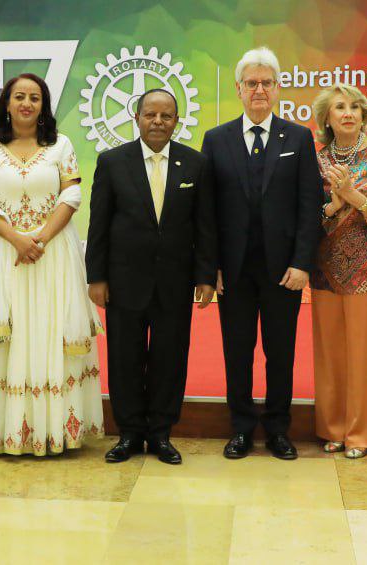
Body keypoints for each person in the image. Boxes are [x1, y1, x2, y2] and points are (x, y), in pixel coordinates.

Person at [0, 73, 103, 456]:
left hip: (53, 254)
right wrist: (17, 239)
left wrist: (41, 239)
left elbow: (72, 195)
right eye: (19, 97)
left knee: (52, 331)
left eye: (35, 97)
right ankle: (13, 434)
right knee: (13, 336)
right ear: (6, 103)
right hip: (6, 253)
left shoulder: (60, 145)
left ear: (44, 105)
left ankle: (57, 431)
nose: (27, 103)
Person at [202, 47, 323, 461]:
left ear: (277, 89)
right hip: (233, 271)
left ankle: (277, 430)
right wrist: (211, 267)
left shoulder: (299, 137)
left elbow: (310, 204)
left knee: (280, 353)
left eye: (266, 83)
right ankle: (240, 429)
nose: (259, 90)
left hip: (283, 271)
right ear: (238, 89)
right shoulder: (216, 139)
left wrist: (302, 263)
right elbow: (207, 211)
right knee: (237, 353)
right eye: (251, 83)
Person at [87, 88, 217, 465]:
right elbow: (99, 225)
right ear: (137, 118)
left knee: (169, 359)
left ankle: (161, 433)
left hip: (175, 283)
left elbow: (205, 226)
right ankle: (129, 433)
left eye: (166, 116)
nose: (158, 122)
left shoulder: (195, 164)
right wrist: (97, 277)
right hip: (123, 281)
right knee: (125, 358)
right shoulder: (112, 162)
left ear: (176, 121)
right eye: (150, 115)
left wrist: (206, 276)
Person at [309, 83, 367, 459]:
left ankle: (362, 434)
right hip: (325, 269)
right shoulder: (316, 159)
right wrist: (332, 206)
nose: (347, 113)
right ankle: (333, 429)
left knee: (365, 354)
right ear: (326, 118)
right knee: (330, 353)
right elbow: (307, 215)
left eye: (354, 107)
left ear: (364, 115)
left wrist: (354, 196)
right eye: (339, 107)